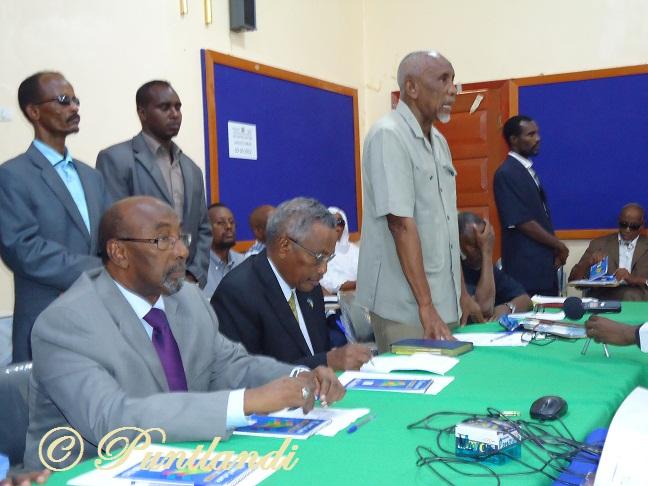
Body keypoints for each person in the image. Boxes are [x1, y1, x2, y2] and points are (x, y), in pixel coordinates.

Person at [23, 196, 344, 470]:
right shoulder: (66, 322)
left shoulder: (188, 299)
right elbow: (112, 420)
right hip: (92, 469)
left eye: (181, 238)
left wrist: (298, 376)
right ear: (119, 252)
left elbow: (229, 364)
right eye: (163, 240)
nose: (181, 252)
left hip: (184, 460)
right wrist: (244, 402)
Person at [356, 50, 482, 352]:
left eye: (453, 80)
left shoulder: (439, 142)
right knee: (417, 381)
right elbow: (400, 224)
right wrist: (425, 306)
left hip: (443, 302)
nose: (452, 89)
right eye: (442, 79)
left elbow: (447, 228)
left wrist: (462, 294)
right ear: (411, 87)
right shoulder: (389, 135)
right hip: (406, 307)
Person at [0, 72, 106, 362]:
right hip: (46, 319)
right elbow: (23, 249)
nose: (74, 107)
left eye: (75, 100)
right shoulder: (12, 175)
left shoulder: (92, 177)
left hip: (98, 317)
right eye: (63, 100)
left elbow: (109, 237)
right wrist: (102, 270)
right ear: (33, 112)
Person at [212, 197, 373, 370]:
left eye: (329, 258)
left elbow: (316, 352)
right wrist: (327, 361)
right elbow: (244, 374)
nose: (323, 269)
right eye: (319, 257)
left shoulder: (309, 285)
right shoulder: (237, 293)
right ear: (284, 246)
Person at [96, 80, 211, 287]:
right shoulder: (117, 159)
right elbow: (114, 228)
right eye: (165, 107)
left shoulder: (192, 169)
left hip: (185, 282)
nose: (175, 114)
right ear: (142, 113)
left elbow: (203, 228)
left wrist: (194, 274)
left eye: (178, 107)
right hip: (139, 283)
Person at [494, 115, 568, 297]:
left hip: (542, 267)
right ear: (514, 139)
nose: (538, 138)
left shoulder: (525, 170)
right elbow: (523, 221)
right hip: (526, 271)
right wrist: (558, 245)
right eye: (531, 134)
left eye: (537, 133)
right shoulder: (507, 173)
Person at [458, 212, 533, 319]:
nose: (482, 247)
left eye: (485, 241)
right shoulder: (457, 270)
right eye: (476, 243)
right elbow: (484, 308)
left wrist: (508, 308)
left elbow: (526, 300)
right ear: (460, 244)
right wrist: (487, 252)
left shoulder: (486, 268)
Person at [569, 203, 648, 301]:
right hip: (605, 297)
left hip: (640, 298)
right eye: (623, 224)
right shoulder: (599, 244)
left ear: (642, 226)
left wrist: (635, 279)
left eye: (633, 226)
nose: (627, 230)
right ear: (618, 221)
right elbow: (574, 280)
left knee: (629, 295)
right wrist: (587, 263)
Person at [202, 203, 245, 300]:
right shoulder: (198, 266)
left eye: (231, 222)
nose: (229, 226)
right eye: (220, 223)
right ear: (206, 228)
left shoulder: (242, 261)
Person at [320, 207, 359, 294]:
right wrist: (358, 284)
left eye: (340, 223)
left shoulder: (356, 251)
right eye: (332, 223)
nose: (337, 228)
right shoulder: (318, 252)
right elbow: (327, 284)